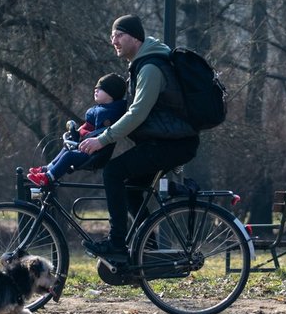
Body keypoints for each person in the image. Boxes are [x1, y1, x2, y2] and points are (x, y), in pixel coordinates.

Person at [77, 16, 199, 260]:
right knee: (131, 189)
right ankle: (148, 252)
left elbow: (138, 113)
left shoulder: (151, 68)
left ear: (135, 37)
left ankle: (116, 243)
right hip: (170, 143)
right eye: (112, 36)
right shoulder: (144, 64)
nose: (114, 41)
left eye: (119, 35)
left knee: (113, 172)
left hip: (171, 144)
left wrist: (104, 139)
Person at [27, 73, 127, 186]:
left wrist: (80, 135)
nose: (96, 90)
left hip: (94, 154)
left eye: (101, 89)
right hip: (86, 148)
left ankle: (48, 178)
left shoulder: (108, 114)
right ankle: (47, 169)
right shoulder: (101, 110)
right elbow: (88, 127)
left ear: (111, 94)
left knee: (69, 156)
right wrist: (75, 133)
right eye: (96, 88)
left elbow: (97, 134)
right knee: (66, 149)